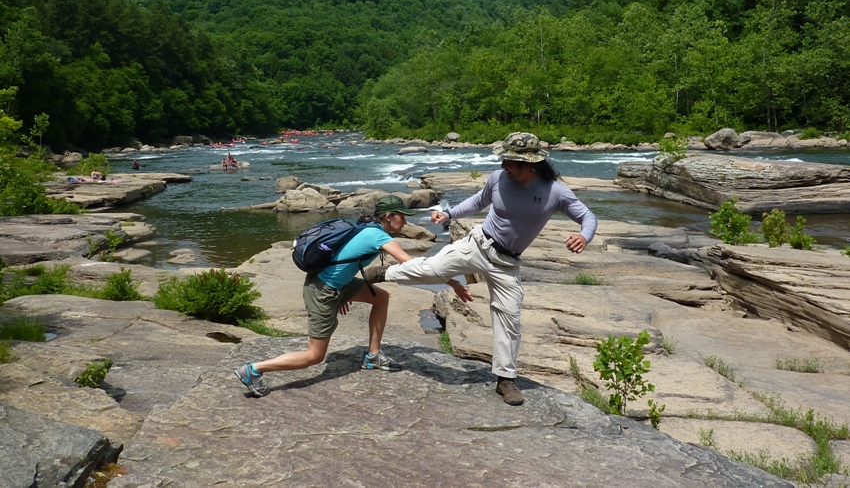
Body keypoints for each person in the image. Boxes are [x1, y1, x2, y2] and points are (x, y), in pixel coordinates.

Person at [366, 132, 598, 406]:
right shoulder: (498, 179)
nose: (503, 165)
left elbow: (587, 216)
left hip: (507, 264)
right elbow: (478, 202)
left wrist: (584, 235)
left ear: (529, 164)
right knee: (431, 270)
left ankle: (505, 379)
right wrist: (449, 214)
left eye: (509, 160)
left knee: (509, 318)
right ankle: (384, 273)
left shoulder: (555, 191)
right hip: (477, 245)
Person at [234, 194, 471, 397]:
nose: (405, 221)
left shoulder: (369, 228)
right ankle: (254, 369)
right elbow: (415, 266)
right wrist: (451, 282)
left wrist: (345, 292)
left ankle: (373, 355)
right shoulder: (378, 236)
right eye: (402, 216)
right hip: (323, 291)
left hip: (336, 284)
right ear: (388, 217)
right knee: (314, 356)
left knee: (381, 298)